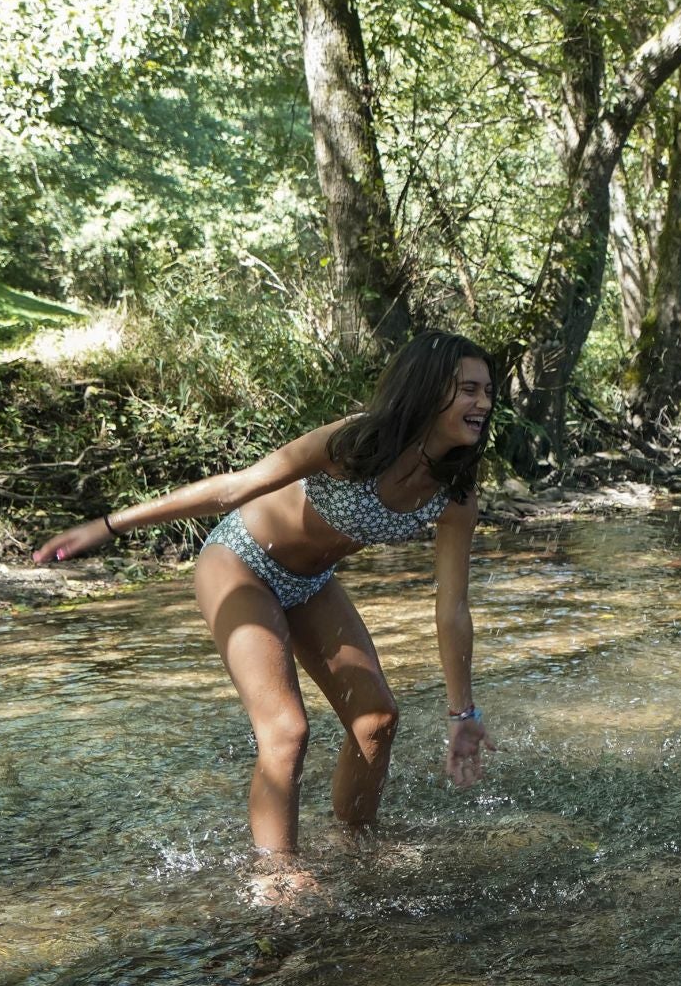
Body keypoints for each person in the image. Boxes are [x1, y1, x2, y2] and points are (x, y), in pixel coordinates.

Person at [33, 331, 500, 867]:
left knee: (376, 720)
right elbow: (235, 488)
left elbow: (452, 609)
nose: (483, 403)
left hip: (310, 583)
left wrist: (461, 711)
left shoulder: (455, 490)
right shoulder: (353, 445)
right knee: (287, 729)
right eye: (469, 390)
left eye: (488, 391)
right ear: (426, 390)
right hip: (239, 562)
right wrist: (110, 525)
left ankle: (354, 845)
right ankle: (275, 874)